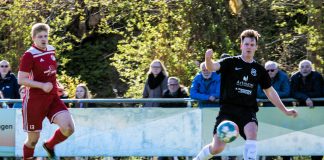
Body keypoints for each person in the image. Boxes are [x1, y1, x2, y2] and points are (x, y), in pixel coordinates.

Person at [193, 29, 298, 160]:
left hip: (247, 110)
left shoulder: (259, 70)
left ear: (256, 47)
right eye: (246, 44)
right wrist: (208, 59)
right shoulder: (230, 62)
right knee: (217, 148)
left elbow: (270, 91)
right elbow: (211, 67)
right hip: (228, 111)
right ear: (241, 45)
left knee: (252, 131)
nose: (249, 47)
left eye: (252, 45)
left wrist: (285, 110)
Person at [18, 23, 74, 160]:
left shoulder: (51, 50)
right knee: (33, 140)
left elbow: (51, 73)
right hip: (34, 102)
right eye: (40, 36)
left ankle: (49, 146)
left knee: (68, 128)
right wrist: (42, 85)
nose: (44, 39)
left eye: (46, 36)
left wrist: (57, 84)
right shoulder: (29, 55)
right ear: (33, 38)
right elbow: (21, 79)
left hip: (52, 98)